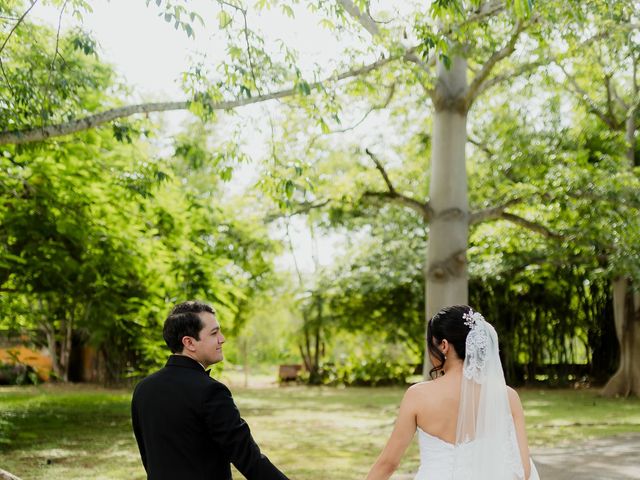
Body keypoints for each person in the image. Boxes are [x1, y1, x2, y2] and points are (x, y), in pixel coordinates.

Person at [365, 305, 540, 480]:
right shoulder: (507, 396)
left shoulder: (418, 395)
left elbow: (388, 464)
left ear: (443, 345)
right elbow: (523, 470)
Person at [131, 300, 288, 480]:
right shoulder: (211, 391)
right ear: (189, 342)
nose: (222, 339)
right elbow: (248, 458)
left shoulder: (143, 389)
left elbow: (149, 460)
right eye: (214, 333)